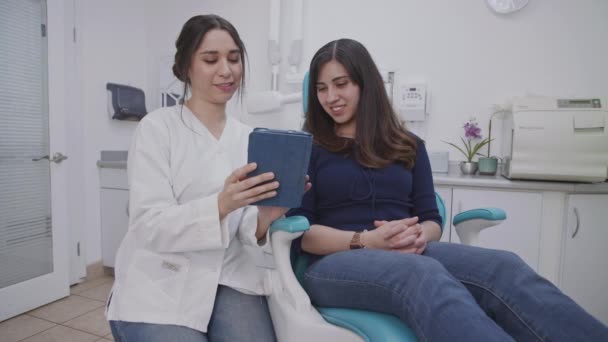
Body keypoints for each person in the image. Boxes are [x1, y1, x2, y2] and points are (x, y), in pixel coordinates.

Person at [286, 38, 608, 342]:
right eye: (321, 88)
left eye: (341, 84)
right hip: (335, 261)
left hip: (406, 252)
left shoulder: (407, 145)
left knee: (503, 267)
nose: (330, 97)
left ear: (365, 84)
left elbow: (430, 219)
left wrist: (419, 236)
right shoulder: (308, 148)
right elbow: (302, 233)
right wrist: (367, 241)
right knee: (421, 274)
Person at [106, 15, 306, 342]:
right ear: (186, 67)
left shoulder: (248, 138)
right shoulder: (157, 129)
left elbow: (243, 230)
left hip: (229, 276)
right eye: (211, 59)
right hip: (162, 281)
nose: (226, 70)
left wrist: (265, 218)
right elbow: (148, 225)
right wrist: (220, 204)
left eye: (234, 58)